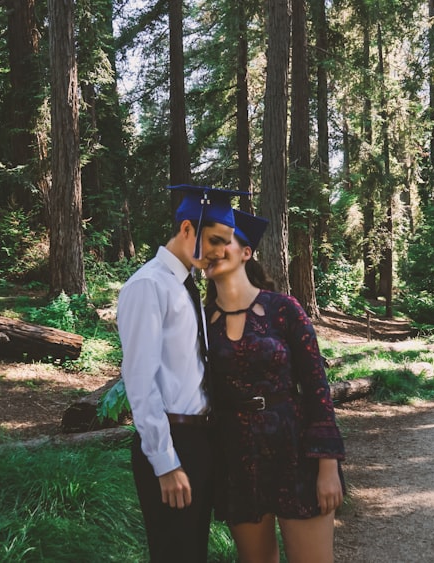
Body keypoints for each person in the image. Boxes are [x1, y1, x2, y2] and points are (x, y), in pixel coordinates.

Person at [203, 210, 346, 563]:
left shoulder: (284, 310)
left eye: (222, 241)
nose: (212, 250)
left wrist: (328, 467)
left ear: (246, 252)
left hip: (296, 453)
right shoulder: (199, 320)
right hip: (237, 458)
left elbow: (317, 389)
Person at [117, 184, 247, 562]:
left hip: (200, 441)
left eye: (227, 243)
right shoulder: (148, 286)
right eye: (216, 240)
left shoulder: (185, 286)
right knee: (175, 554)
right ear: (187, 229)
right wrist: (165, 462)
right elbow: (139, 382)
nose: (222, 252)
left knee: (193, 552)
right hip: (173, 443)